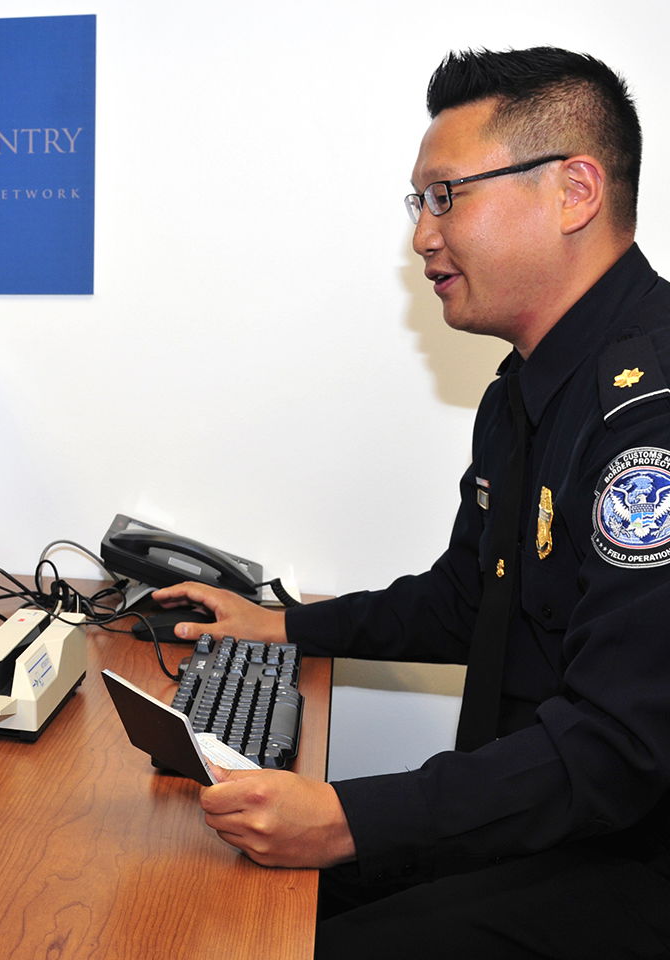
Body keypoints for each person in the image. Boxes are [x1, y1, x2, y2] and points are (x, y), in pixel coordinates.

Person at [153, 48, 670, 958]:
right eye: (419, 204)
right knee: (205, 893)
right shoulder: (523, 391)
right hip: (530, 821)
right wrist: (282, 627)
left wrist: (351, 817)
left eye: (446, 196)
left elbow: (618, 746)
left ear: (574, 191)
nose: (424, 237)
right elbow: (466, 601)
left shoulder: (647, 416)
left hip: (626, 862)